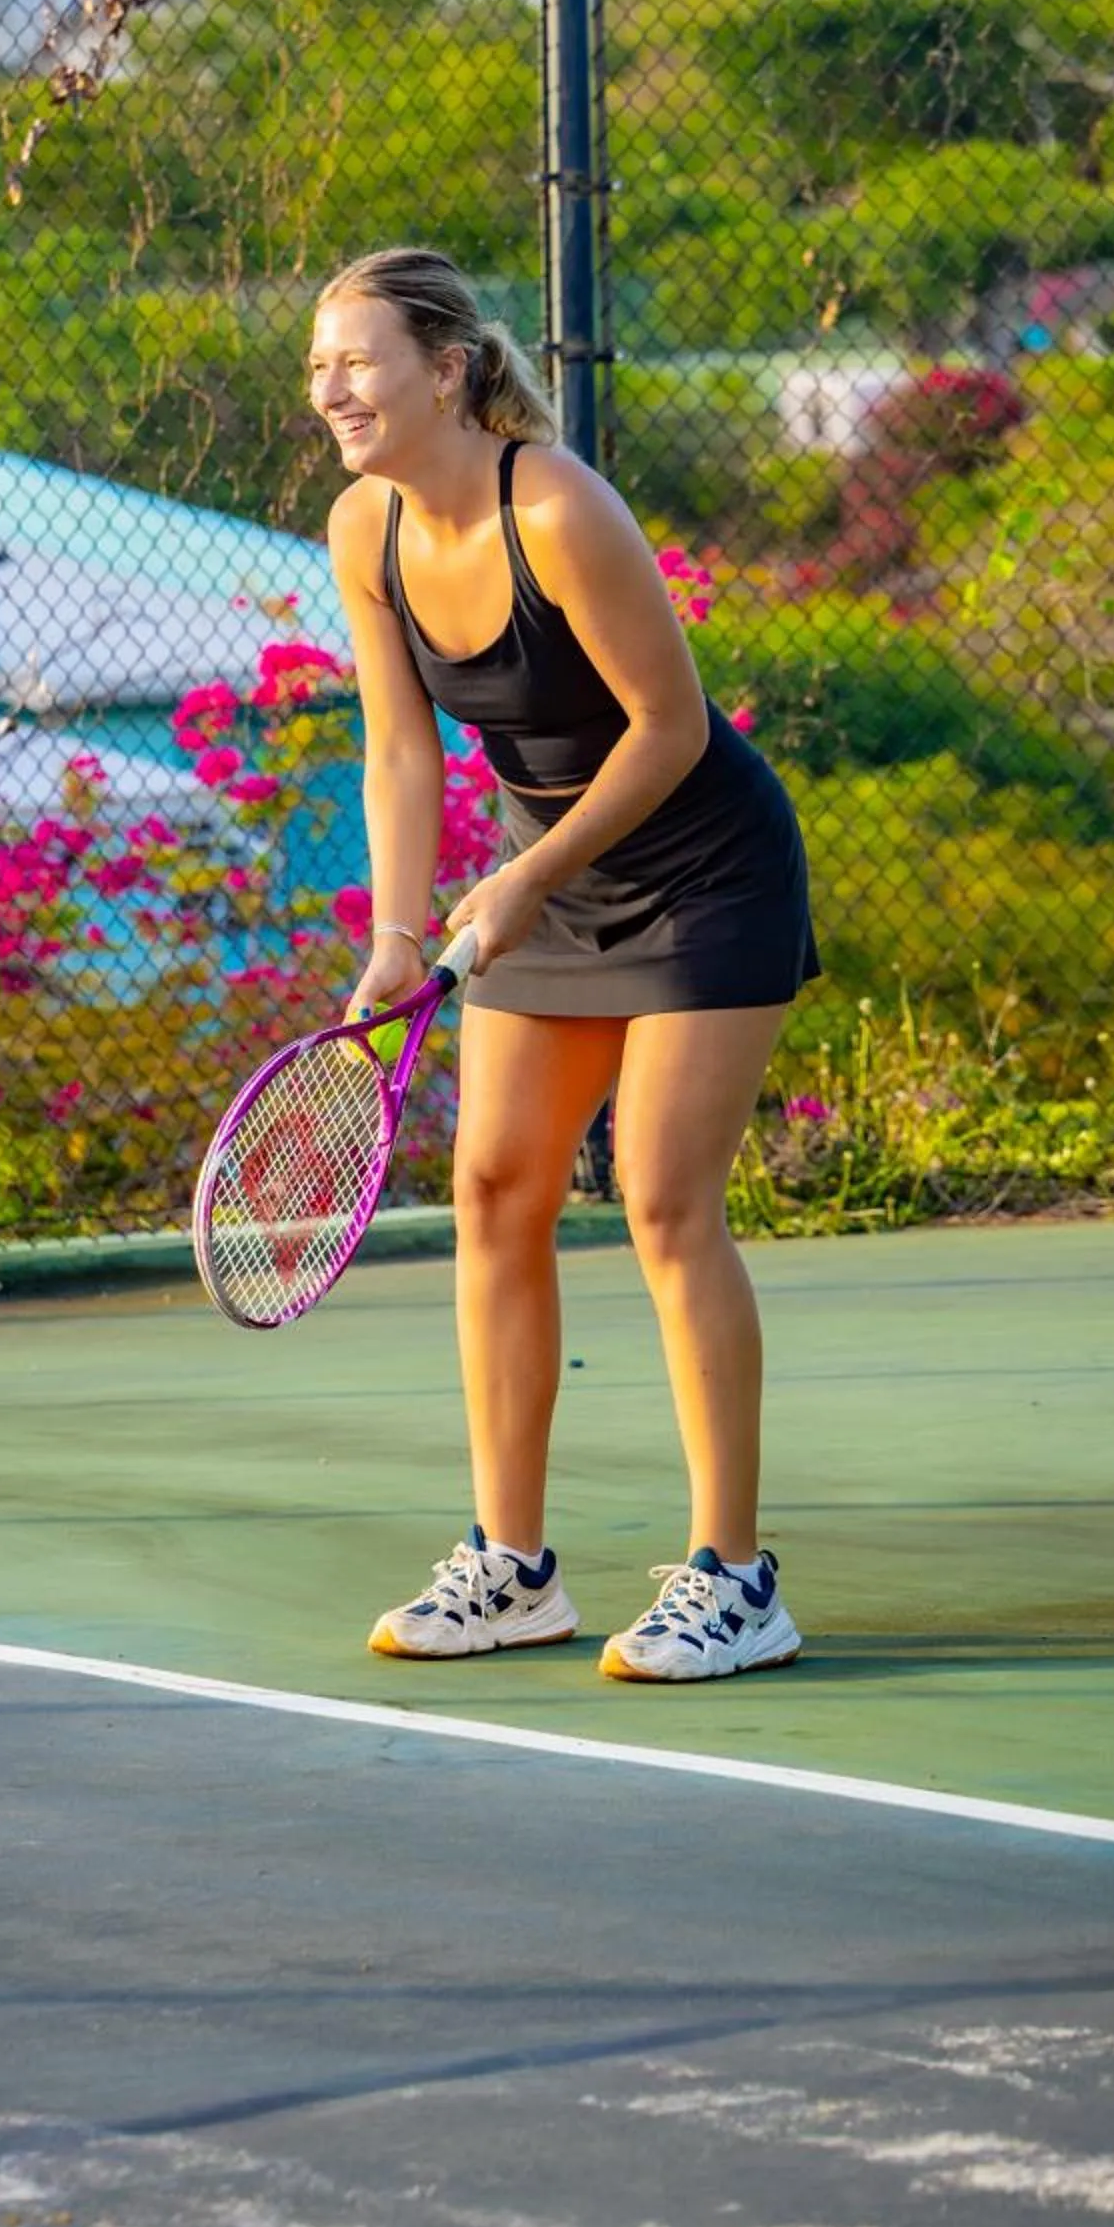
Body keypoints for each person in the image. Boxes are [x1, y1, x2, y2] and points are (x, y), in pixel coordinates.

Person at [312, 246, 820, 1684]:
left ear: (449, 369)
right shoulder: (369, 532)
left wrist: (527, 874)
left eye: (358, 361)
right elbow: (401, 747)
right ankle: (511, 1570)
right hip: (554, 887)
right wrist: (397, 937)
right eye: (318, 370)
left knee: (661, 1199)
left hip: (702, 870)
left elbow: (673, 727)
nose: (332, 390)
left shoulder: (559, 509)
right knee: (493, 1190)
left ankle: (736, 1579)